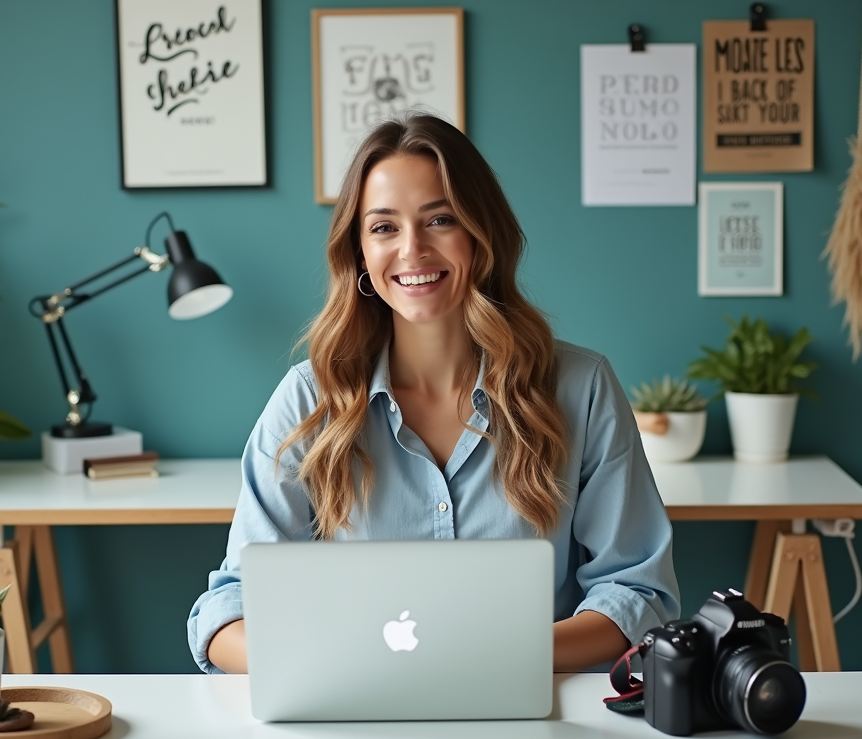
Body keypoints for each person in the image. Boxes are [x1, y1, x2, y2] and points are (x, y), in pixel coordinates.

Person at [188, 113, 679, 674]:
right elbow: (229, 608)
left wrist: (491, 661)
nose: (412, 249)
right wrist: (337, 664)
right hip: (357, 719)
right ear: (360, 256)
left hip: (536, 727)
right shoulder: (308, 401)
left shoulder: (581, 388)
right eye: (384, 227)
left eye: (439, 219)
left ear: (480, 235)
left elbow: (638, 592)